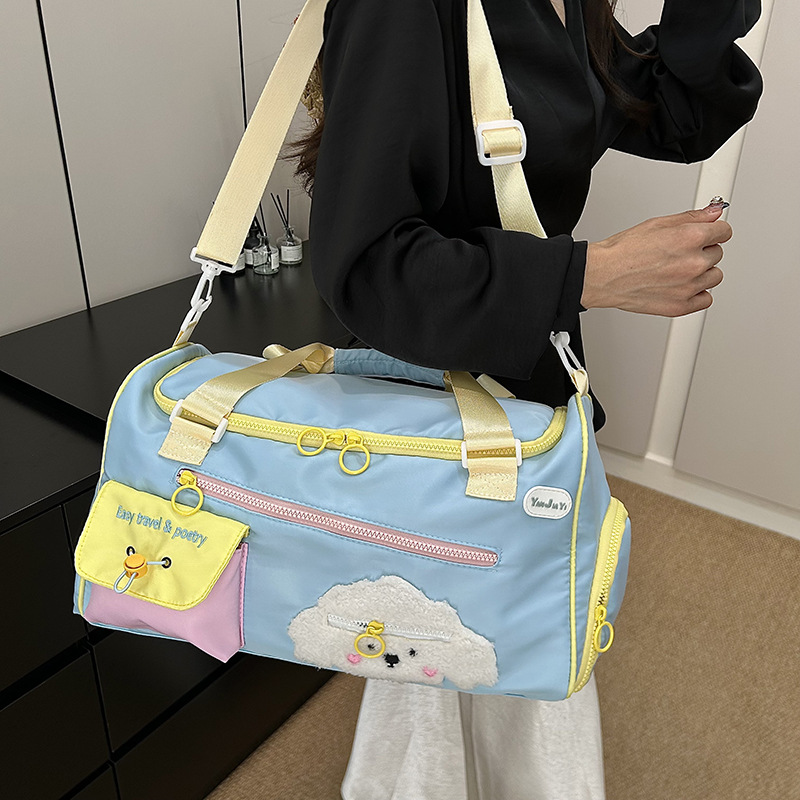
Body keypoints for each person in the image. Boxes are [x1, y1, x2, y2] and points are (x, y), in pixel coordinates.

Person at [285, 0, 763, 797]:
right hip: (438, 409)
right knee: (464, 673)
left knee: (496, 668)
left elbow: (677, 114)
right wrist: (591, 275)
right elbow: (365, 266)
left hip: (524, 391)